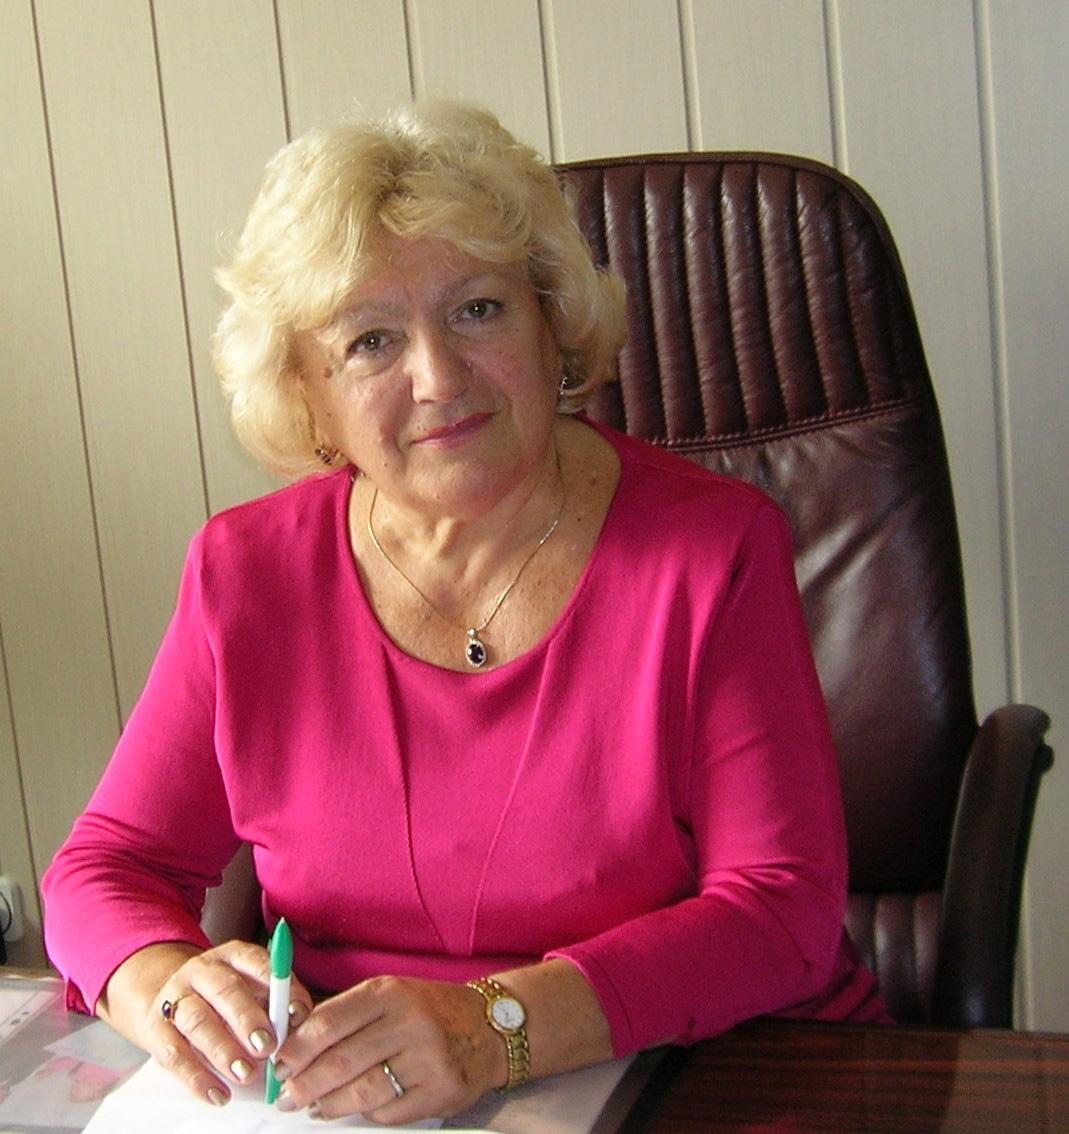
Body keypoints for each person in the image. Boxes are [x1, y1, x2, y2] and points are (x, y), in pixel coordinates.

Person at [42, 101, 888, 1125]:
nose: (438, 378)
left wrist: (496, 1028)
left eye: (478, 310)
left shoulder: (712, 551)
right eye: (370, 341)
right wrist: (168, 987)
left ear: (551, 323)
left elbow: (779, 910)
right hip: (361, 1104)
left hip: (700, 1076)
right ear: (307, 393)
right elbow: (103, 870)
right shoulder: (246, 574)